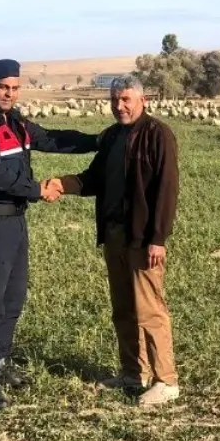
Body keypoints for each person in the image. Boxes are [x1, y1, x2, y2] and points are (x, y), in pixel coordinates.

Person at [0, 59, 99, 410]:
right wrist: (37, 190)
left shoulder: (13, 123)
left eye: (15, 88)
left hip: (14, 221)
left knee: (12, 299)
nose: (10, 94)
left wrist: (98, 140)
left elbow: (51, 139)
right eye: (3, 87)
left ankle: (2, 361)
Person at [57, 75, 181, 406]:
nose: (119, 105)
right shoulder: (112, 136)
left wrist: (158, 238)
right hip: (113, 235)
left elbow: (166, 189)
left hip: (142, 239)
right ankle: (133, 372)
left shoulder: (158, 135)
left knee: (150, 310)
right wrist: (59, 185)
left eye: (126, 99)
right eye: (115, 99)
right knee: (123, 308)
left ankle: (166, 380)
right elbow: (92, 179)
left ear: (143, 101)